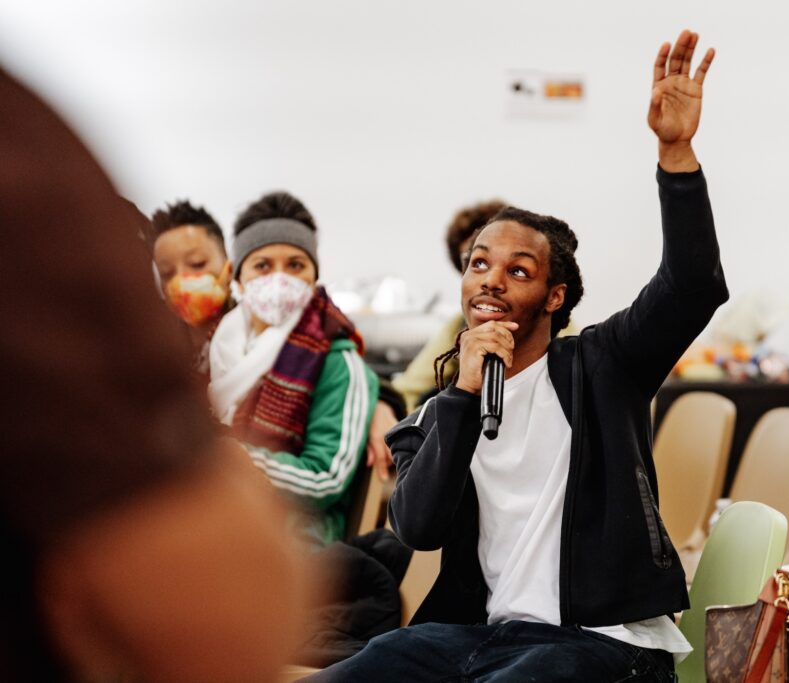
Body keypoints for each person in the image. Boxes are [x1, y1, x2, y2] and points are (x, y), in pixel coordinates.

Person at [303, 28, 725, 682]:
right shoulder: (443, 410)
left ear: (555, 296)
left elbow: (693, 284)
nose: (491, 280)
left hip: (605, 642)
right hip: (487, 634)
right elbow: (417, 525)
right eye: (478, 264)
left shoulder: (601, 366)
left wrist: (677, 153)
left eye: (518, 270)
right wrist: (464, 397)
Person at [0, 66, 310, 682]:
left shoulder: (312, 352)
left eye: (199, 263)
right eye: (166, 269)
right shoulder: (28, 170)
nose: (181, 281)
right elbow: (213, 610)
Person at [209, 190, 397, 544]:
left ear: (314, 276)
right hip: (217, 522)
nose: (279, 279)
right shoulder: (216, 348)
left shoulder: (336, 360)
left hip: (293, 544)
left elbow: (326, 479)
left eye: (295, 265)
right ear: (237, 279)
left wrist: (236, 460)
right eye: (262, 265)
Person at [392, 199, 506, 413]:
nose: (489, 280)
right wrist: (384, 403)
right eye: (476, 263)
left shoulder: (553, 328)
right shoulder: (458, 327)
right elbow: (407, 390)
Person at [150, 200, 234, 376]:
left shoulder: (258, 336)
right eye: (167, 273)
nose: (181, 279)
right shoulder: (157, 347)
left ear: (229, 271)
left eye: (197, 264)